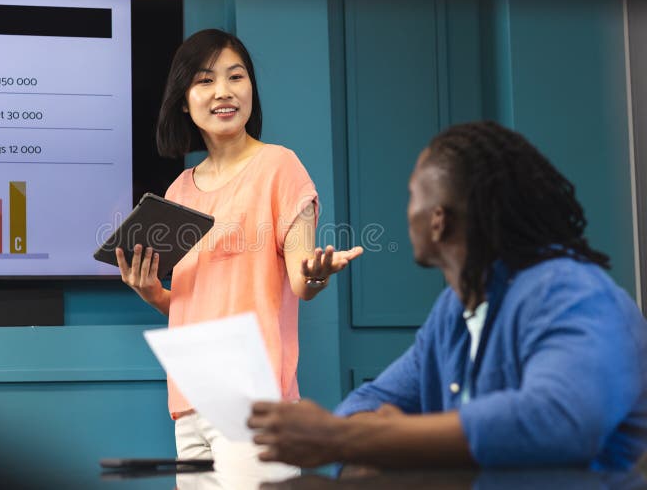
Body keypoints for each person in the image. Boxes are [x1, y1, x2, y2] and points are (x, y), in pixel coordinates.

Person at [248, 120, 647, 472]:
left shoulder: (571, 292)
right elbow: (370, 400)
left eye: (412, 195)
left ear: (438, 220)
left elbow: (558, 420)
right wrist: (361, 444)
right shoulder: (455, 311)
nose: (407, 213)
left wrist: (350, 440)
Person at [114, 28, 363, 482]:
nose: (224, 92)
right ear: (183, 99)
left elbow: (300, 283)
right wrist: (155, 295)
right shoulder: (178, 191)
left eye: (236, 77)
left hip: (254, 397)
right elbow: (204, 303)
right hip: (190, 400)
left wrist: (317, 276)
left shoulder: (279, 166)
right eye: (205, 81)